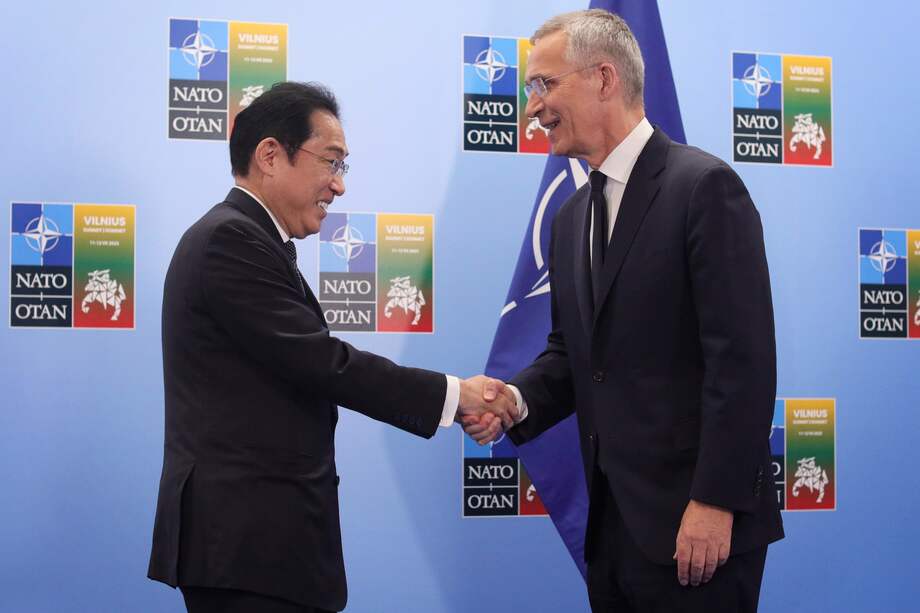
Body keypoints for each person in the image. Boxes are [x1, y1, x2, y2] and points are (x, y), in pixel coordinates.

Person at [147, 81, 514, 613]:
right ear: (270, 155)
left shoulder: (250, 239)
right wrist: (455, 397)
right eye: (331, 162)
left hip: (261, 550)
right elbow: (322, 363)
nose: (339, 186)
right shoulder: (231, 241)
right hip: (246, 551)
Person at [463, 10, 783, 612]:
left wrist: (716, 502)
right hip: (612, 534)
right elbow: (573, 352)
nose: (532, 107)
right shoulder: (570, 216)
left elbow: (742, 364)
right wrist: (516, 400)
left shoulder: (704, 187)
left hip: (699, 530)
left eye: (544, 85)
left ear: (604, 77)